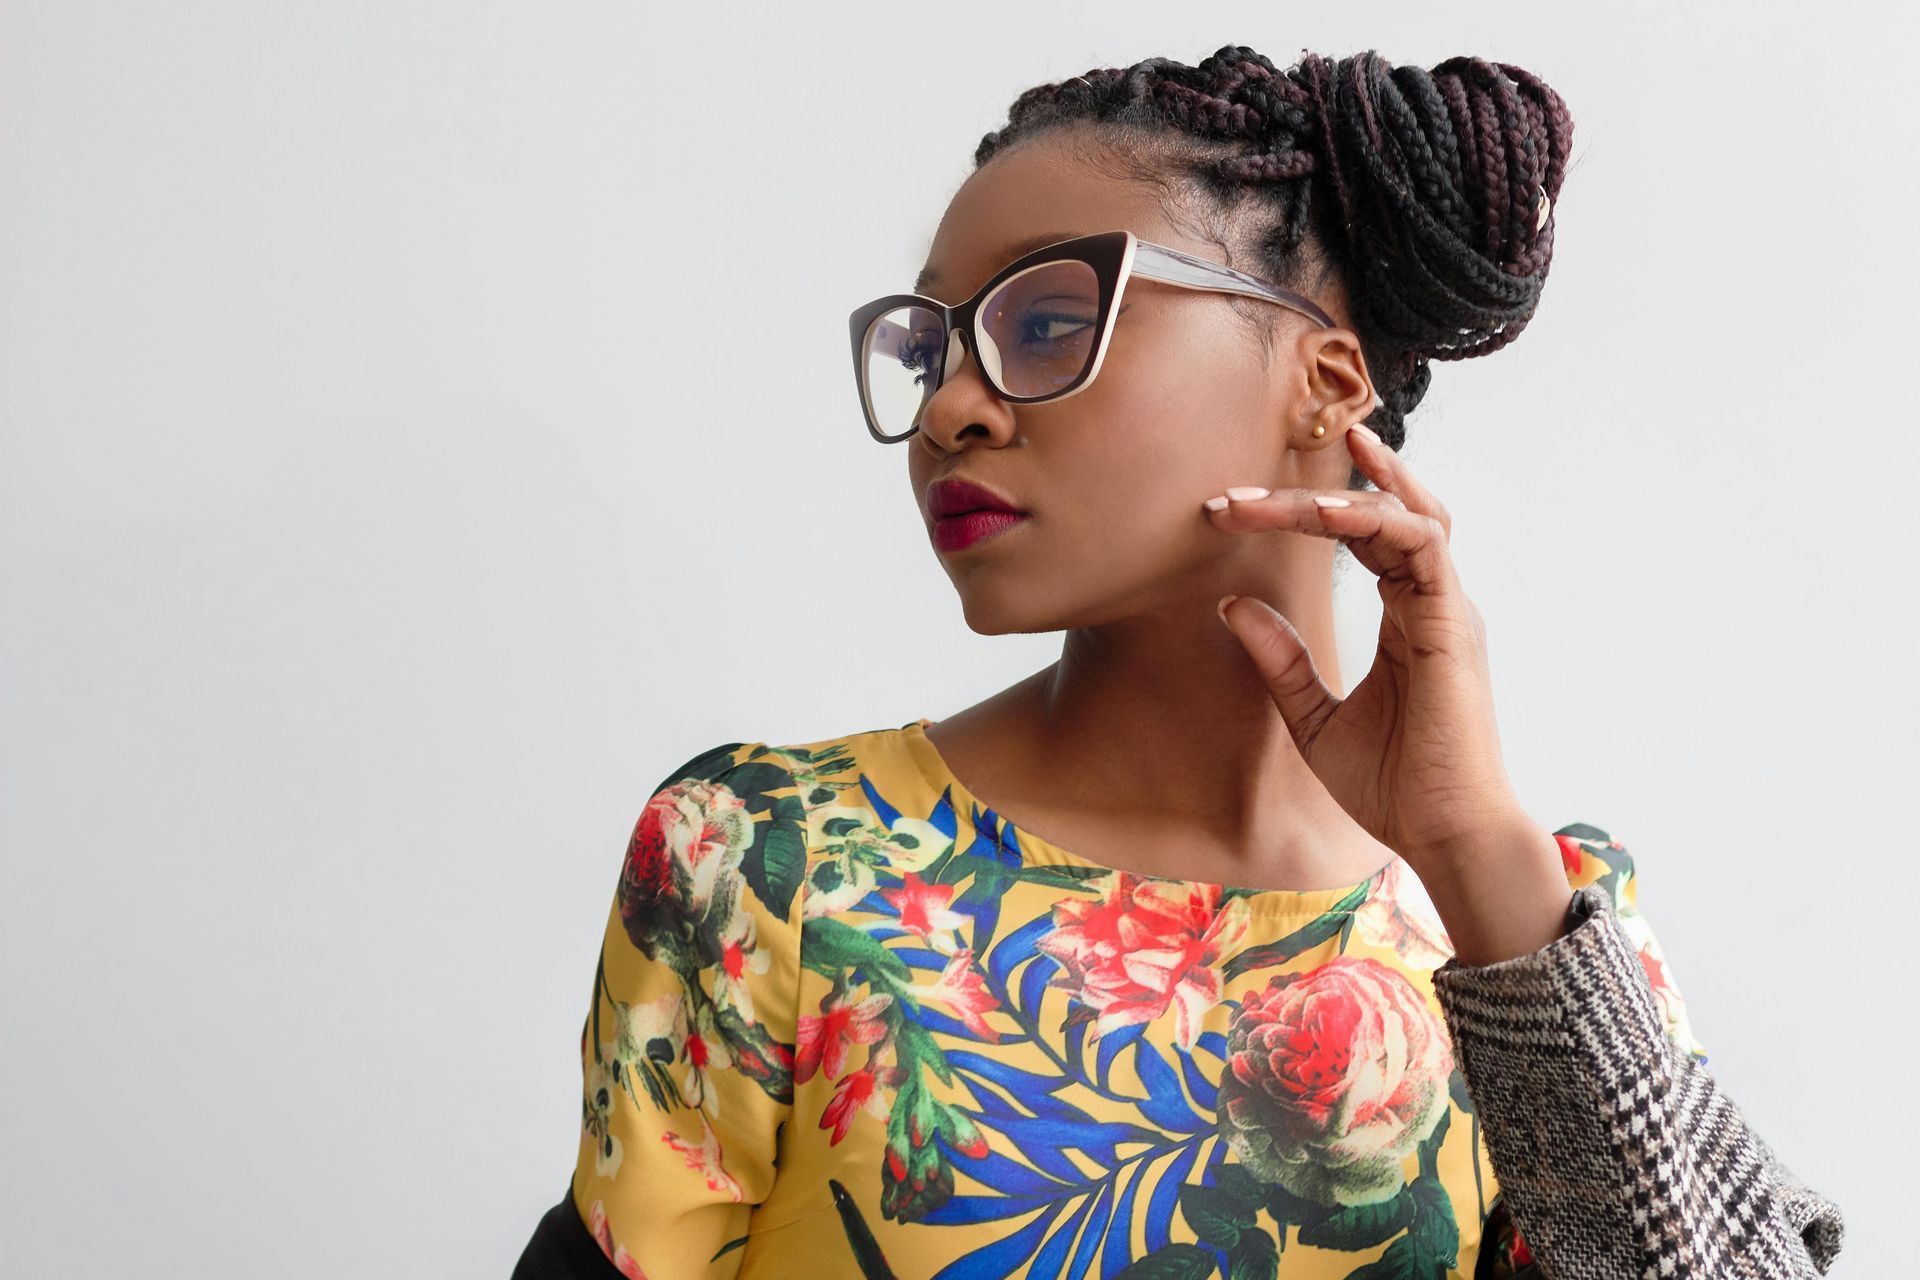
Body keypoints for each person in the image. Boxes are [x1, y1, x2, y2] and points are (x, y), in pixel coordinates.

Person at [513, 45, 1845, 1279]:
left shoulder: (1527, 924)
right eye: (931, 349)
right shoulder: (768, 863)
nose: (949, 408)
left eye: (1043, 323)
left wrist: (1472, 853)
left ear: (1324, 384)